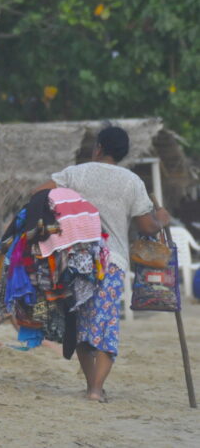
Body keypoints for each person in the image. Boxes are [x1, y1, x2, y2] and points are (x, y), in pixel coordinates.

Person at [34, 126, 170, 402]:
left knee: (82, 324)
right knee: (106, 325)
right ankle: (96, 390)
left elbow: (39, 193)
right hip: (112, 263)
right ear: (122, 153)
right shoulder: (132, 181)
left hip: (78, 261)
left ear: (98, 147)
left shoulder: (76, 173)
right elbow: (147, 227)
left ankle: (91, 386)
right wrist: (162, 218)